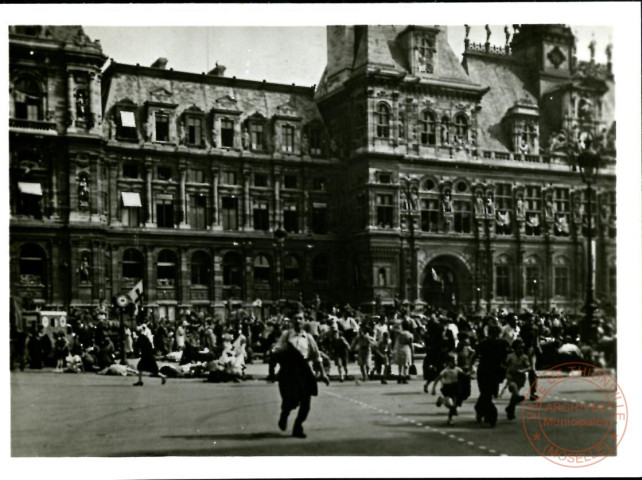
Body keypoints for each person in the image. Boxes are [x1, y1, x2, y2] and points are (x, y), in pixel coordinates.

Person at [272, 315, 329, 439]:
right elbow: (276, 349)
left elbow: (316, 355)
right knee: (290, 401)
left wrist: (323, 373)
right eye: (295, 318)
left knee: (306, 403)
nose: (298, 321)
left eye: (300, 318)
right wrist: (281, 350)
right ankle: (284, 415)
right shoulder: (286, 335)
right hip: (289, 371)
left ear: (304, 321)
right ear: (292, 321)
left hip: (304, 371)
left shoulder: (308, 338)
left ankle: (298, 427)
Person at [472, 324, 509, 427]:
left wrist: (471, 366)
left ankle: (479, 409)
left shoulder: (487, 343)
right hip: (492, 372)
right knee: (487, 394)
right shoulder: (501, 343)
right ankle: (490, 417)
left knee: (487, 393)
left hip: (487, 371)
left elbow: (474, 356)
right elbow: (507, 358)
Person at [431, 354, 463, 425]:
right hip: (447, 389)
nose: (455, 362)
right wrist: (433, 388)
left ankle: (450, 419)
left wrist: (470, 372)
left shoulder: (458, 369)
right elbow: (437, 379)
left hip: (455, 388)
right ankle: (441, 400)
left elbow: (464, 376)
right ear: (448, 362)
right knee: (450, 405)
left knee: (454, 405)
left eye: (456, 361)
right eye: (453, 361)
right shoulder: (445, 371)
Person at [504, 339, 531, 420]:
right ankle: (518, 398)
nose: (521, 350)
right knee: (514, 389)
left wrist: (522, 370)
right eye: (519, 348)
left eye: (522, 348)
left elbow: (529, 367)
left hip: (520, 378)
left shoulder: (524, 357)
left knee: (513, 397)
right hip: (511, 377)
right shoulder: (510, 357)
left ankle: (510, 409)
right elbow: (504, 365)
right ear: (514, 348)